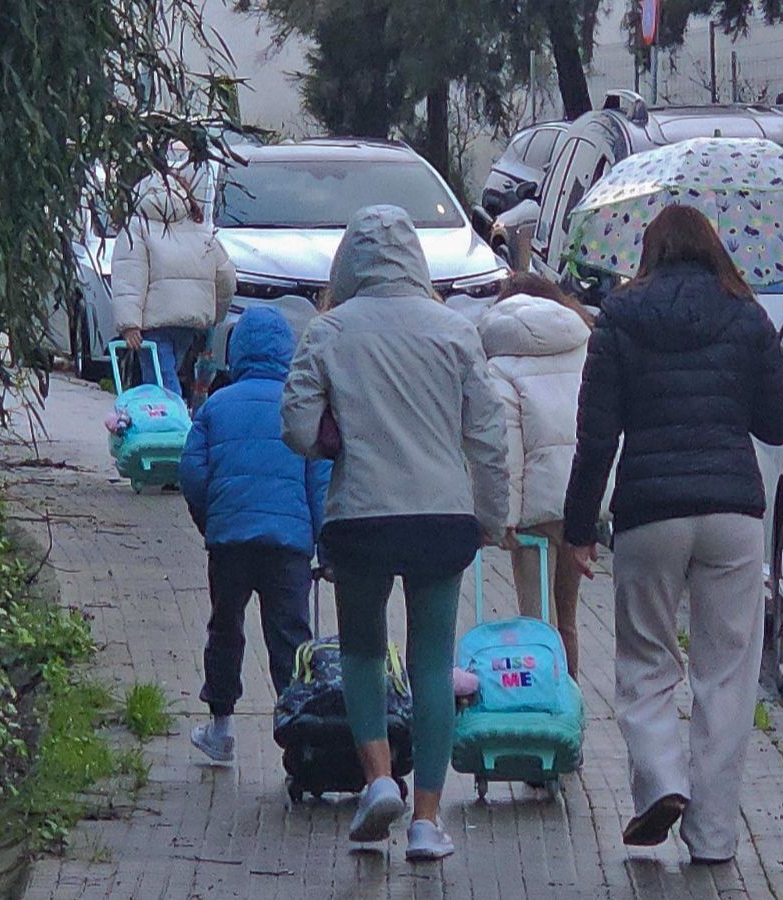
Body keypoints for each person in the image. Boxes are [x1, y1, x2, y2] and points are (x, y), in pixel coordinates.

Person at [562, 204, 783, 864]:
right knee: (726, 674)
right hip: (732, 516)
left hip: (650, 514)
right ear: (713, 248)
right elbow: (779, 426)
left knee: (645, 662)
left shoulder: (620, 315)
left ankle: (662, 783)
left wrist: (579, 529)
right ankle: (716, 836)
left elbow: (597, 435)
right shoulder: (747, 314)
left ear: (650, 249)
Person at [282, 205, 510, 861]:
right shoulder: (455, 330)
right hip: (442, 516)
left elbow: (296, 429)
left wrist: (337, 438)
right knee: (433, 661)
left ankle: (379, 779)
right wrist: (491, 517)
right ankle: (427, 820)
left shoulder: (328, 331)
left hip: (360, 515)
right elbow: (488, 438)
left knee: (361, 652)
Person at [179, 307, 328, 762]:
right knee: (290, 636)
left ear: (235, 351)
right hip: (289, 547)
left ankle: (221, 728)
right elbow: (320, 480)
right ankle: (302, 735)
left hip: (230, 543)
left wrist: (211, 519)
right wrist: (323, 540)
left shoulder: (217, 406)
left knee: (226, 629)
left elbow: (191, 472)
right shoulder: (299, 405)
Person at [478, 273, 593, 678]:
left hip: (532, 512)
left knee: (536, 625)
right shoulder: (580, 344)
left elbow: (505, 445)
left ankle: (545, 718)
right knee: (567, 621)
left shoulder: (501, 358)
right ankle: (572, 719)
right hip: (580, 501)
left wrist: (502, 517)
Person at [111, 170, 236, 399]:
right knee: (171, 374)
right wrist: (215, 314)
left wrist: (129, 324)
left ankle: (172, 427)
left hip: (154, 322)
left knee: (161, 382)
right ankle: (173, 417)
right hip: (190, 322)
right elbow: (226, 275)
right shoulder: (199, 229)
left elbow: (129, 276)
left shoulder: (137, 228)